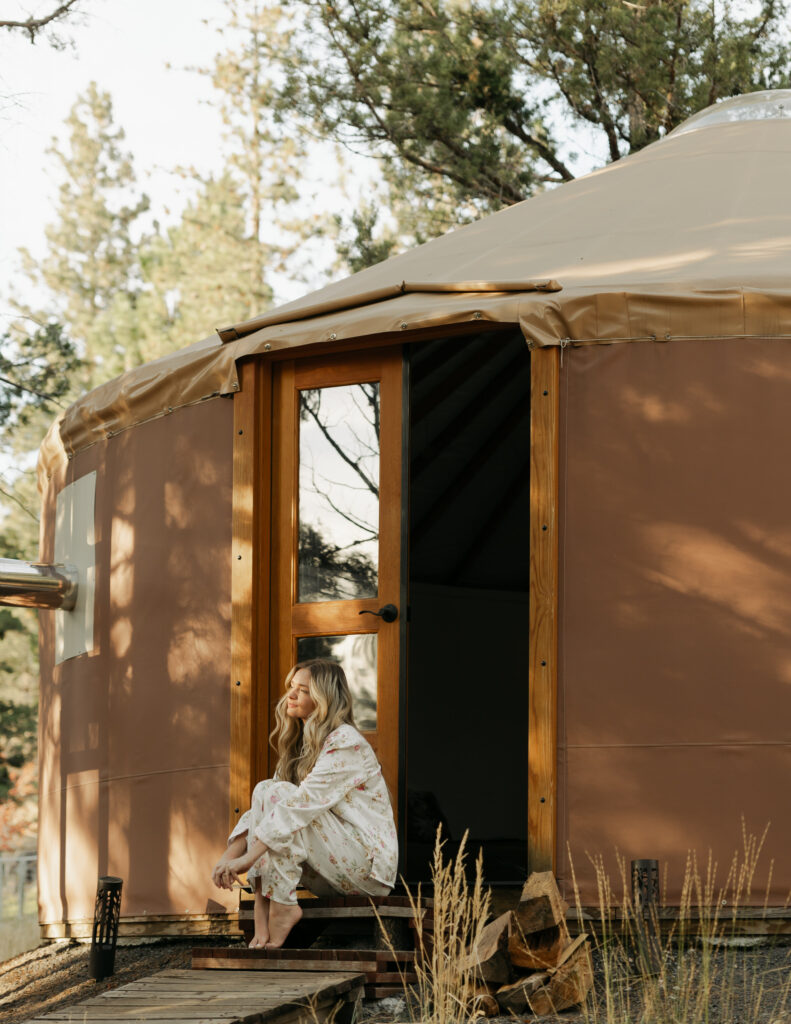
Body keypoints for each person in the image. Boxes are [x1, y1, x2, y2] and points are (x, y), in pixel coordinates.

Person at [211, 658, 398, 948]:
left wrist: (246, 860)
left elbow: (299, 806)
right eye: (291, 687)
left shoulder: (345, 741)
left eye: (304, 690)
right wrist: (227, 858)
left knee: (281, 797)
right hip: (328, 867)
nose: (292, 694)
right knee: (266, 789)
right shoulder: (300, 744)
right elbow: (263, 812)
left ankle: (282, 903)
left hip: (366, 871)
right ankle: (264, 904)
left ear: (325, 699)